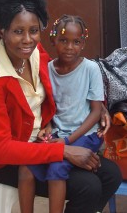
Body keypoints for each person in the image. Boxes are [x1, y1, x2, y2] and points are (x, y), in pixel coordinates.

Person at [0, 0, 122, 213]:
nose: (28, 40)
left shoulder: (36, 55)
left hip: (49, 139)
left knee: (112, 175)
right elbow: (2, 148)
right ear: (2, 31)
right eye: (18, 31)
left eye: (33, 30)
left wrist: (99, 108)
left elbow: (64, 84)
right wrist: (63, 150)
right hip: (18, 157)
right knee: (89, 186)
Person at [17, 14, 104, 213]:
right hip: (57, 133)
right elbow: (46, 105)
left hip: (85, 134)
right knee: (26, 167)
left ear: (83, 43)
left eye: (76, 42)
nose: (69, 47)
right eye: (63, 40)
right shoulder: (47, 69)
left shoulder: (91, 69)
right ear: (53, 40)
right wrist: (48, 127)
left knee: (57, 166)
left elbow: (96, 111)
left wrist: (68, 140)